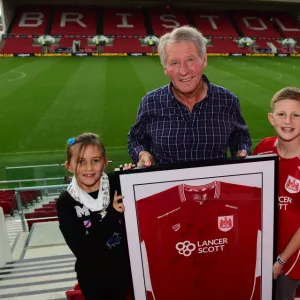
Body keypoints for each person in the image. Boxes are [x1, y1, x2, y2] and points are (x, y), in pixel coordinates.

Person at [128, 25, 251, 166]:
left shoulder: (227, 100)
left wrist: (242, 150)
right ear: (165, 69)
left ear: (204, 59)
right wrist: (142, 153)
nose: (183, 70)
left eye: (190, 60)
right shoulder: (150, 103)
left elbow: (240, 135)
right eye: (174, 62)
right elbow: (136, 138)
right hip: (168, 187)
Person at [56, 133, 134, 300]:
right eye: (80, 161)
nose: (89, 168)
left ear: (105, 163)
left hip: (125, 269)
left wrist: (132, 174)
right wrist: (112, 215)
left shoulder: (117, 183)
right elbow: (83, 250)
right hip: (93, 278)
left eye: (95, 161)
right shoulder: (65, 202)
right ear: (68, 165)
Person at [253, 87, 300, 300]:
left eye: (296, 115)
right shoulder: (263, 149)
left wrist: (281, 261)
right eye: (282, 114)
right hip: (264, 250)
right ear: (271, 118)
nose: (288, 121)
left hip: (292, 258)